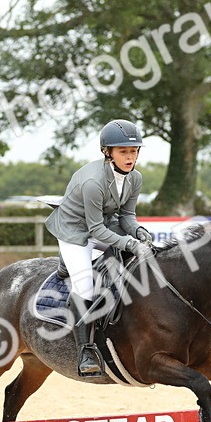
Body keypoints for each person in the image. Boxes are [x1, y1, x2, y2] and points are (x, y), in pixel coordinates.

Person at [45, 119, 155, 377]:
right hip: (75, 231)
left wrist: (138, 232)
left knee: (135, 260)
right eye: (123, 152)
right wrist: (130, 243)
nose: (130, 157)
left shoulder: (135, 178)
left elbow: (127, 216)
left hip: (104, 224)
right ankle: (86, 350)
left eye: (134, 151)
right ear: (108, 152)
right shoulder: (93, 182)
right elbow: (95, 232)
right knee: (85, 284)